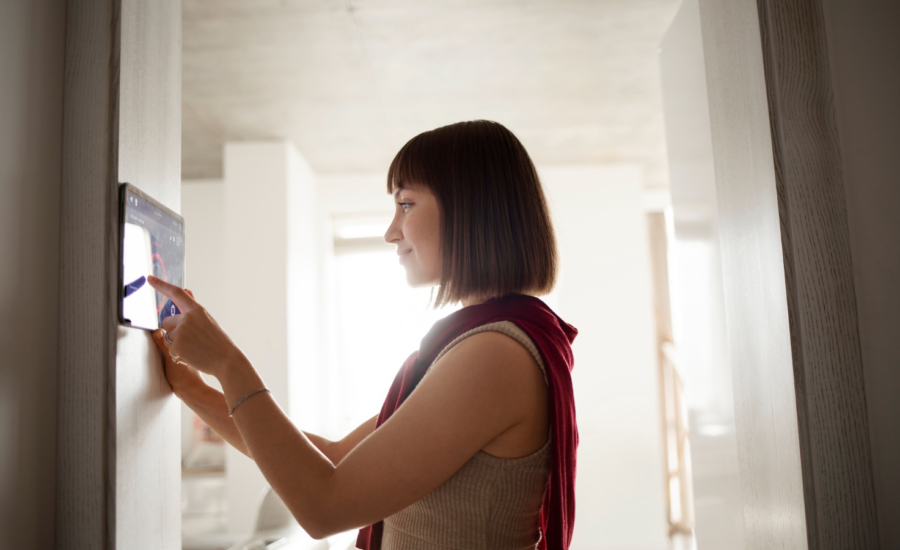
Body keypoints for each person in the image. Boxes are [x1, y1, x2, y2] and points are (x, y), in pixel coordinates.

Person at [149, 120, 579, 550]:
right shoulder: (485, 343)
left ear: (471, 210)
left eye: (406, 204)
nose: (392, 231)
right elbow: (333, 460)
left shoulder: (494, 354)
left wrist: (228, 363)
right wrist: (191, 386)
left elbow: (325, 506)